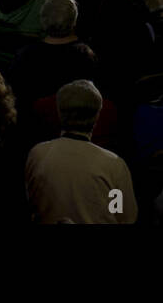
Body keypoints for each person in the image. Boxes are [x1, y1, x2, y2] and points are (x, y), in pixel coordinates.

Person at [25, 80, 137, 224]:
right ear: (97, 116)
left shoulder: (37, 155)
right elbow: (124, 217)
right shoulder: (114, 165)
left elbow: (32, 203)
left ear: (59, 113)